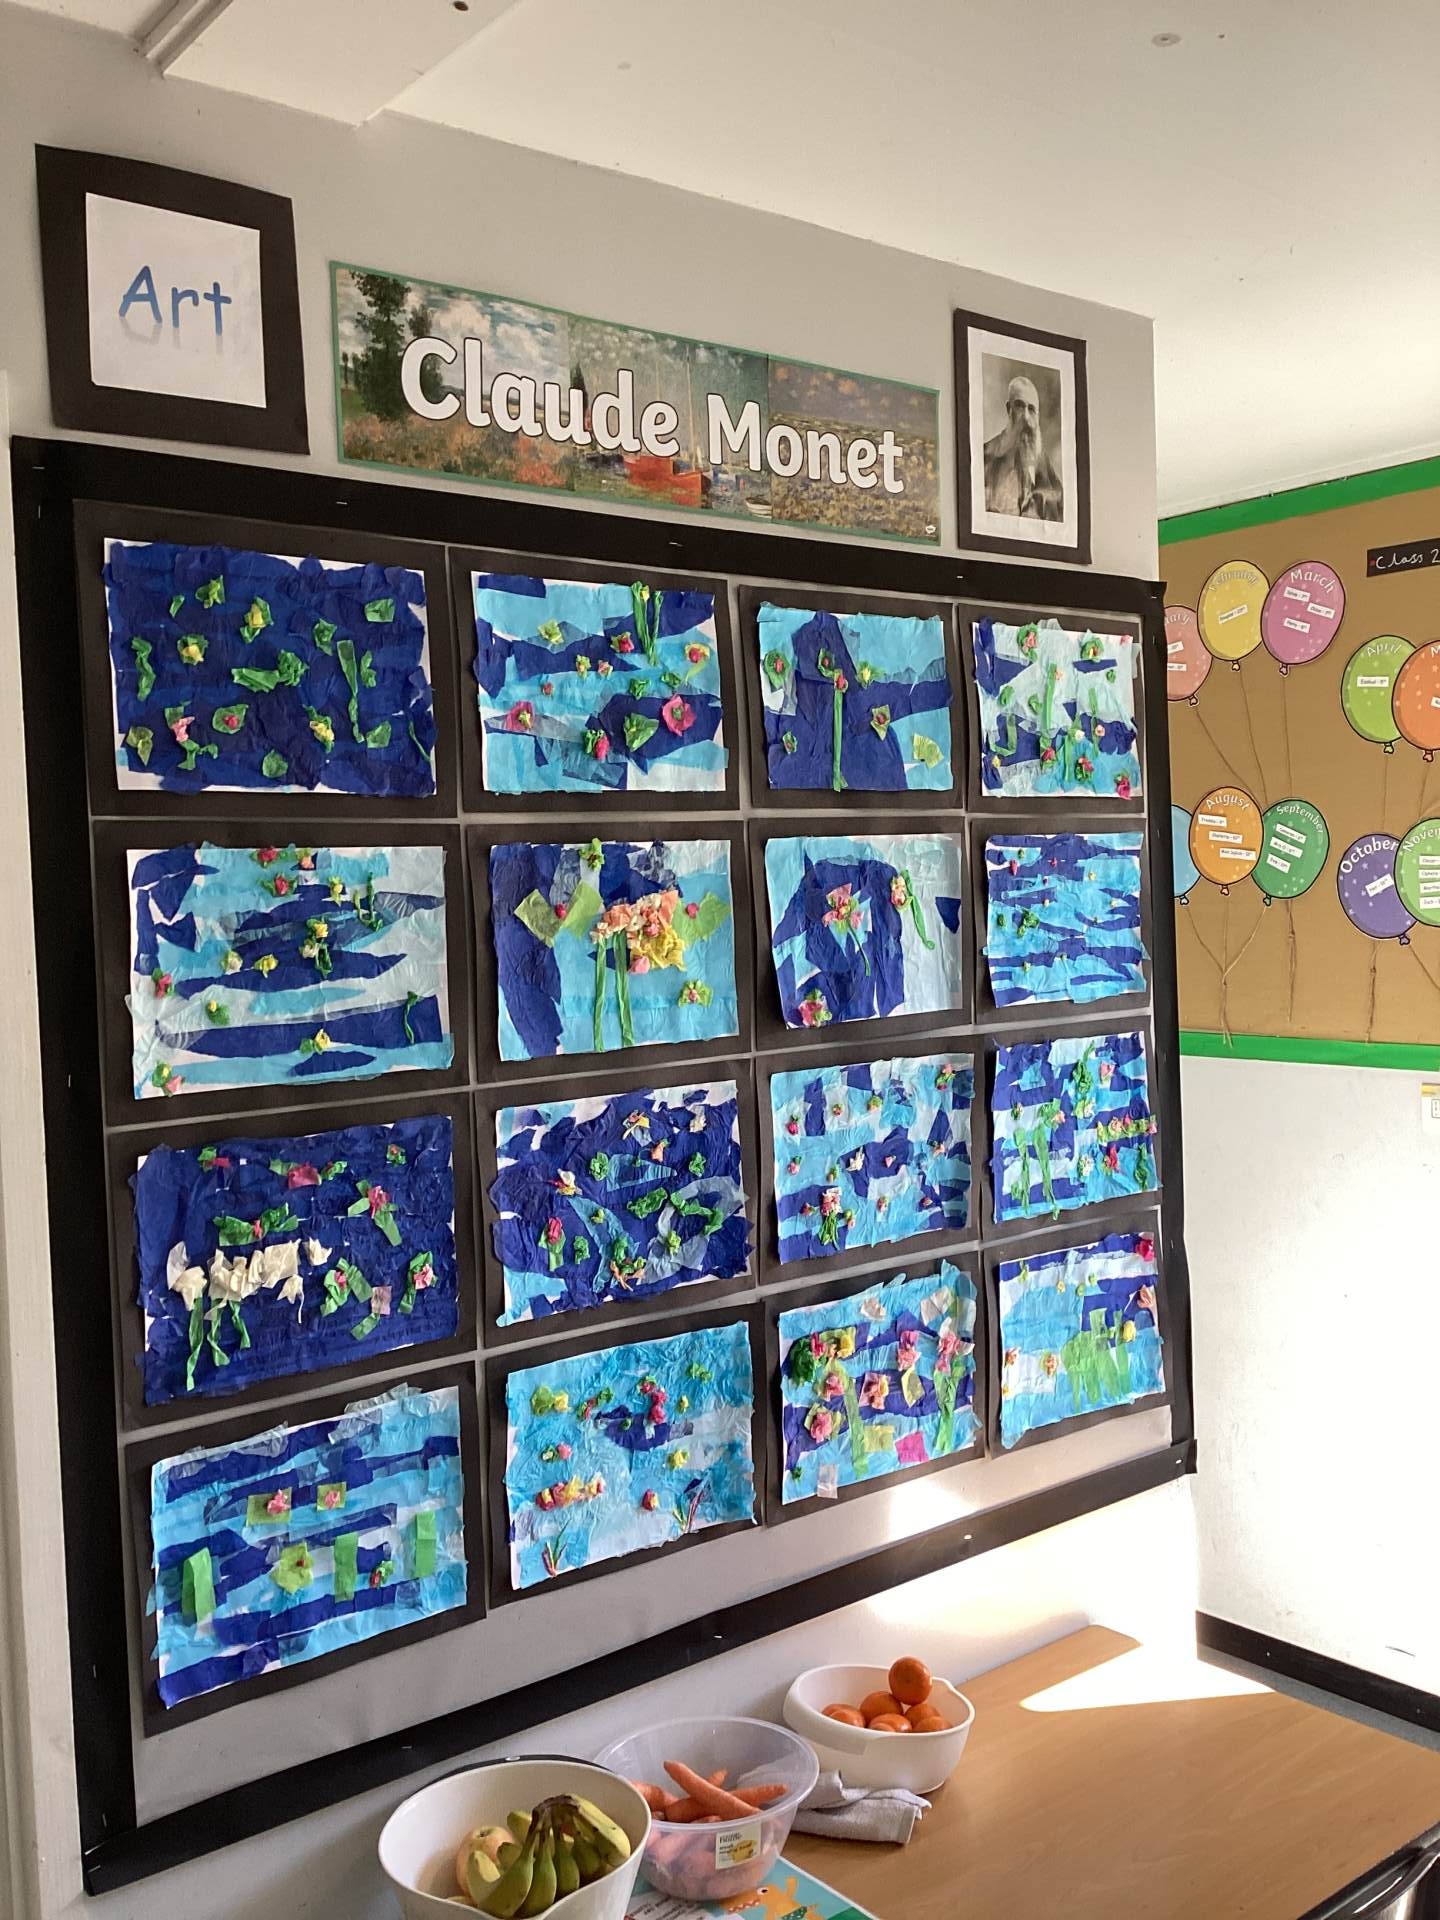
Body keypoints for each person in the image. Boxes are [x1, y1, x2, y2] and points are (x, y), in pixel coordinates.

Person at [983, 373, 1063, 520]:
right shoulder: (985, 456)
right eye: (1020, 406)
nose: (1026, 417)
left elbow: (1059, 507)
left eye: (1031, 409)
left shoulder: (1043, 463)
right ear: (1009, 409)